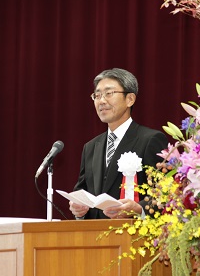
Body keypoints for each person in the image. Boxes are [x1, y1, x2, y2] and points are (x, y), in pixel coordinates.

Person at [71, 68, 168, 220]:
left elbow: (165, 193)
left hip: (133, 236)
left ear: (130, 99)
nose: (101, 101)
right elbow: (83, 193)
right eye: (97, 95)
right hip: (94, 238)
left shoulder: (151, 140)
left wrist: (139, 209)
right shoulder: (91, 147)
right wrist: (78, 209)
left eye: (109, 94)